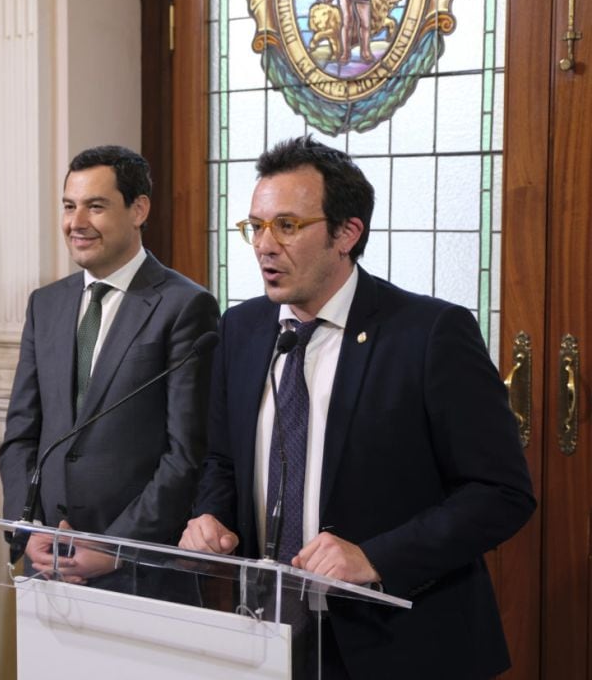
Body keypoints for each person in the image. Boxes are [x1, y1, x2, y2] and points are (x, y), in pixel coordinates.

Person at [179, 136, 535, 678]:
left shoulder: (430, 334)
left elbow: (501, 493)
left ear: (347, 233)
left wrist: (377, 558)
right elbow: (224, 461)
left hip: (401, 643)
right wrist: (211, 517)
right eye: (255, 226)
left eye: (288, 226)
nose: (263, 245)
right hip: (269, 635)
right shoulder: (242, 329)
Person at [0, 145, 219, 594]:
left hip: (140, 572)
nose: (76, 223)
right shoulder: (46, 304)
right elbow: (21, 434)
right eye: (69, 206)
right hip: (48, 564)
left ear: (138, 209)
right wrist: (29, 527)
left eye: (95, 207)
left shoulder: (184, 306)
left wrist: (115, 546)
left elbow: (185, 454)